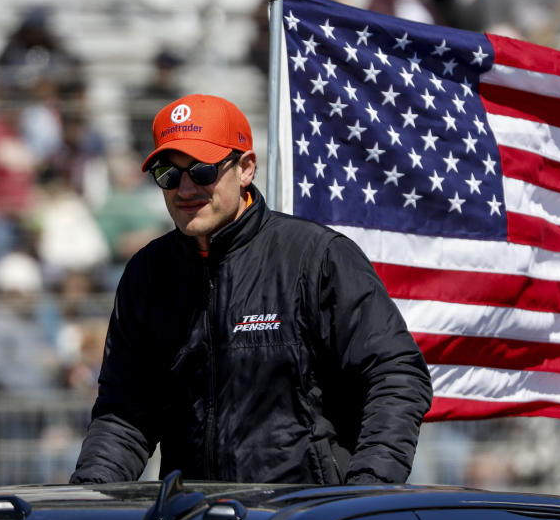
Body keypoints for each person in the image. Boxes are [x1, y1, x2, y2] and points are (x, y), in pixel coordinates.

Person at [71, 94, 433, 485]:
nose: (185, 188)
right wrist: (87, 502)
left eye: (202, 171)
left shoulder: (317, 257)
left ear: (245, 169)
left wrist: (365, 496)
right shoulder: (148, 273)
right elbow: (125, 414)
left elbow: (397, 376)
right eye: (168, 174)